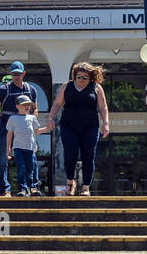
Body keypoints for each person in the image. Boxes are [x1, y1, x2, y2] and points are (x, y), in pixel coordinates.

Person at [45, 61, 110, 197]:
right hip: (69, 126)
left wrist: (106, 123)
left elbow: (103, 107)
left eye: (84, 78)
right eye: (78, 77)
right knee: (70, 154)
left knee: (88, 156)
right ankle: (70, 182)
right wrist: (51, 118)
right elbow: (57, 103)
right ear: (74, 76)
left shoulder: (96, 88)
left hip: (90, 127)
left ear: (90, 78)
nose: (81, 80)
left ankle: (86, 187)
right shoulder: (66, 86)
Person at [0, 62, 42, 196]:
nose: (16, 76)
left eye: (18, 74)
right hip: (6, 129)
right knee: (2, 160)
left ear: (24, 73)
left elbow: (35, 109)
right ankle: (5, 190)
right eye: (13, 74)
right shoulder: (3, 89)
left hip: (24, 130)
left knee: (31, 159)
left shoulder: (31, 90)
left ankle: (31, 187)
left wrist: (32, 122)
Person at [5, 96, 49, 197]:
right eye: (24, 104)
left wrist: (47, 128)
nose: (27, 106)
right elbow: (9, 134)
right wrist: (7, 149)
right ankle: (22, 188)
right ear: (17, 106)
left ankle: (33, 188)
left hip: (30, 148)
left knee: (32, 168)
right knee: (21, 168)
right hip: (18, 148)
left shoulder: (32, 118)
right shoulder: (13, 119)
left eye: (28, 104)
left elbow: (36, 131)